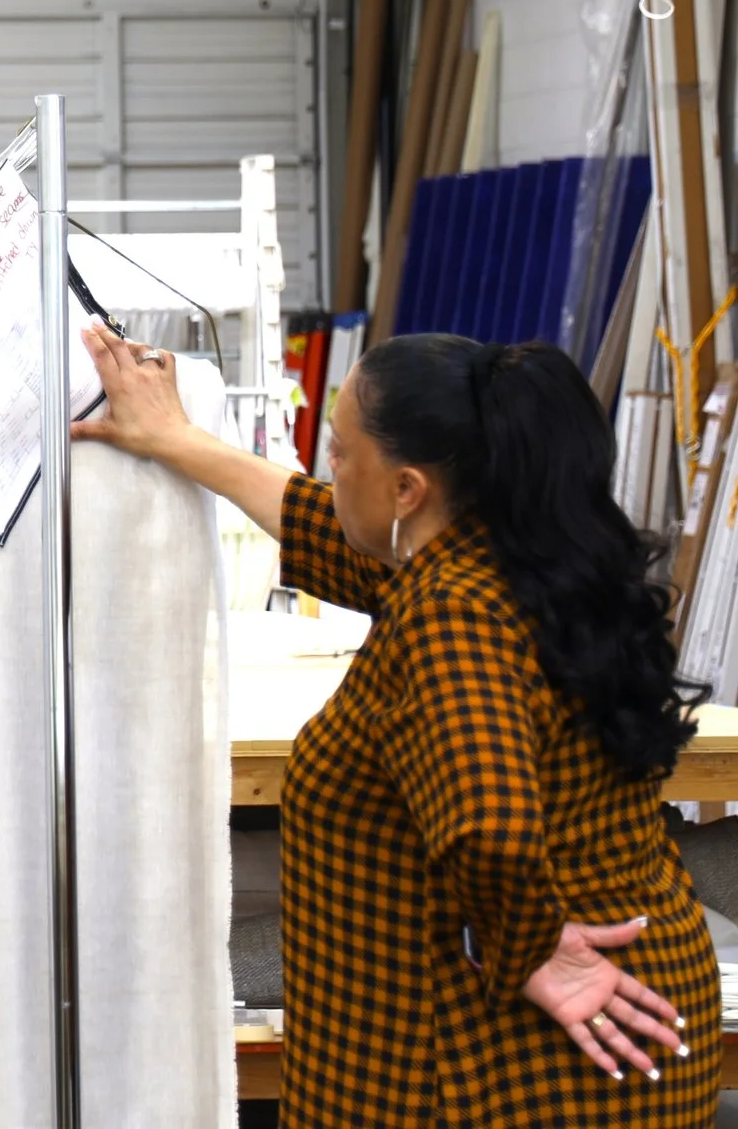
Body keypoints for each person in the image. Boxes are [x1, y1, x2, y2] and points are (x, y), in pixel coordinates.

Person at [76, 325, 719, 1126]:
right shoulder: (525, 556)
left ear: (408, 488)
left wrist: (531, 952)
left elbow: (490, 831)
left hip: (507, 1064)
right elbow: (323, 523)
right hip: (629, 1022)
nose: (328, 469)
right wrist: (175, 440)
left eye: (340, 454)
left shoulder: (450, 612)